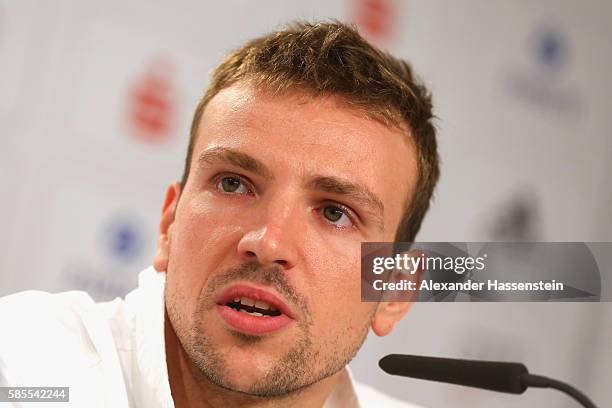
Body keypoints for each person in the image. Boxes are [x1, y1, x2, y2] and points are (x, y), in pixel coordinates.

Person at [0, 21, 439, 407]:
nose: (268, 243)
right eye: (233, 183)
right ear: (169, 223)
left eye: (335, 213)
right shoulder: (25, 368)